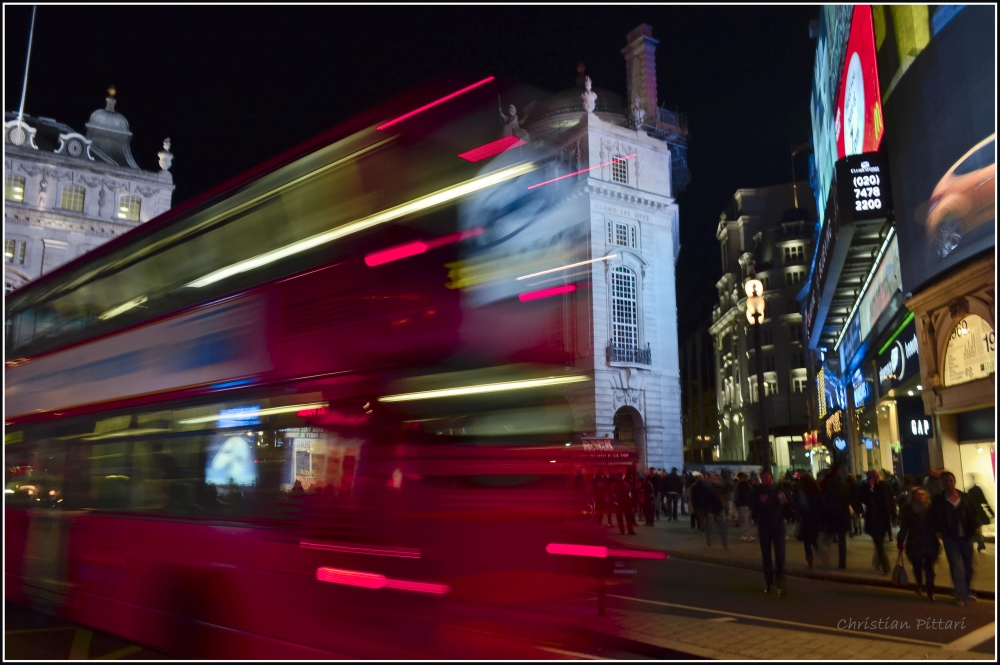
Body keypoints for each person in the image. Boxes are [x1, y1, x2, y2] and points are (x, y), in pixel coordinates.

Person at [931, 471, 979, 606]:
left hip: (966, 536)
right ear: (941, 483)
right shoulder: (938, 500)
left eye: (951, 480)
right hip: (950, 538)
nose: (949, 483)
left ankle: (966, 590)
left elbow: (974, 514)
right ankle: (960, 594)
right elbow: (934, 518)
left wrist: (974, 528)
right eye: (945, 481)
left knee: (969, 566)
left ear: (955, 481)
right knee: (956, 566)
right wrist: (940, 530)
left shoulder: (965, 497)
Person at [897, 487, 940, 601]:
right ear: (914, 497)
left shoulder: (931, 509)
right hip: (915, 541)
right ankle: (919, 584)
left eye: (923, 495)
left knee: (929, 567)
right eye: (919, 495)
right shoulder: (909, 510)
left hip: (929, 541)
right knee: (917, 566)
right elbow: (904, 527)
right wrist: (900, 540)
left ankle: (930, 589)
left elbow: (937, 524)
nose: (921, 497)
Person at [752, 470, 787, 596]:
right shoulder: (757, 490)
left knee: (780, 555)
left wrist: (784, 500)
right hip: (764, 526)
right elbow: (753, 506)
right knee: (766, 556)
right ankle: (768, 582)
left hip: (778, 525)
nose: (765, 480)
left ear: (771, 477)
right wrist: (759, 501)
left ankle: (780, 581)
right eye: (762, 478)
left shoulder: (778, 488)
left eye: (766, 477)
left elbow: (787, 506)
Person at [860, 469, 897, 574]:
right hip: (873, 520)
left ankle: (877, 562)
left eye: (877, 476)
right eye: (873, 477)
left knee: (879, 545)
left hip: (884, 519)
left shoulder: (884, 486)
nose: (876, 479)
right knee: (879, 545)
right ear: (869, 478)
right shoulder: (865, 488)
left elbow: (890, 501)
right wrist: (870, 489)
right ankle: (886, 567)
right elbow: (864, 500)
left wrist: (894, 516)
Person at [821, 465, 851, 569]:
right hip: (843, 515)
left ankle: (826, 560)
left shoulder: (830, 484)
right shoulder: (844, 483)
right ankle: (842, 562)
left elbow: (826, 500)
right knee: (842, 540)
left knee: (827, 538)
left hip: (832, 515)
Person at [795, 473, 823, 570]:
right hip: (815, 518)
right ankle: (820, 553)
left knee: (806, 541)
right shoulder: (817, 490)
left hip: (806, 518)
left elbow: (801, 505)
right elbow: (820, 505)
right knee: (814, 539)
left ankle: (810, 560)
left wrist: (799, 516)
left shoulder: (802, 491)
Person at [966, 474, 995, 553]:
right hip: (978, 513)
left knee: (977, 530)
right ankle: (980, 546)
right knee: (978, 530)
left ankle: (977, 546)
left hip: (974, 513)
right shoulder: (977, 489)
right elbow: (984, 501)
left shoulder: (970, 491)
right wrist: (990, 511)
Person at [704, 473, 729, 549]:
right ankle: (710, 543)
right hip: (712, 510)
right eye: (714, 478)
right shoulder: (708, 487)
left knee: (721, 527)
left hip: (717, 509)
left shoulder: (717, 487)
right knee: (711, 527)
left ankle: (723, 544)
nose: (716, 479)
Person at [734, 472, 755, 541]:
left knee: (744, 521)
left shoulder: (740, 485)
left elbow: (738, 496)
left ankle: (747, 535)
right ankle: (749, 535)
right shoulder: (748, 485)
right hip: (748, 505)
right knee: (748, 521)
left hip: (742, 505)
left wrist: (736, 503)